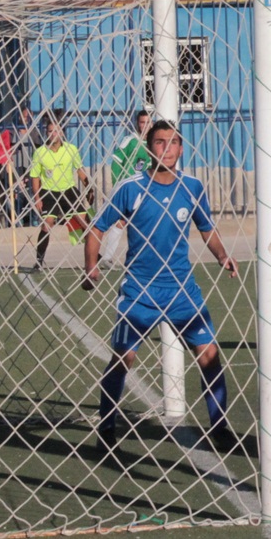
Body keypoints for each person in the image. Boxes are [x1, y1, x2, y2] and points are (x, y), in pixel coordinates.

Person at [82, 120, 240, 455]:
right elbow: (96, 228)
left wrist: (222, 255)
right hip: (140, 291)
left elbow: (207, 228)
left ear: (181, 148)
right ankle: (106, 429)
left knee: (210, 354)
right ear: (149, 148)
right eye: (159, 142)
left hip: (182, 290)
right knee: (123, 358)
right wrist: (90, 267)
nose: (167, 148)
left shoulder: (192, 187)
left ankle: (220, 427)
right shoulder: (130, 188)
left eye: (173, 142)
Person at [29, 111, 91, 270]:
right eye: (50, 131)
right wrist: (37, 197)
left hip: (68, 190)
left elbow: (80, 170)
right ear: (46, 133)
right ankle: (39, 261)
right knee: (47, 225)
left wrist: (88, 187)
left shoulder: (71, 149)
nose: (53, 134)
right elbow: (35, 177)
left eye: (56, 131)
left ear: (62, 133)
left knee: (85, 223)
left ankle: (94, 258)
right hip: (49, 192)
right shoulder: (40, 152)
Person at [100, 109, 153, 266]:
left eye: (148, 122)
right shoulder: (130, 140)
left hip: (144, 189)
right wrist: (117, 184)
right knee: (120, 221)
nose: (145, 126)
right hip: (128, 187)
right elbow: (116, 161)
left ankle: (111, 257)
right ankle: (106, 257)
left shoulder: (153, 144)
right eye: (142, 122)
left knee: (140, 221)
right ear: (137, 124)